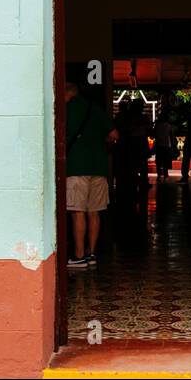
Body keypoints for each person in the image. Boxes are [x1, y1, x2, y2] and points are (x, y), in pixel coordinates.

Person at [64, 82, 117, 271]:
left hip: (77, 167)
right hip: (99, 167)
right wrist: (101, 143)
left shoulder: (66, 109)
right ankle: (91, 253)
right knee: (94, 211)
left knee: (78, 211)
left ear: (66, 94)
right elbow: (114, 134)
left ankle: (78, 256)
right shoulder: (94, 108)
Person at [153, 110, 174, 182]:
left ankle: (159, 175)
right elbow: (171, 136)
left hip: (159, 145)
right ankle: (165, 174)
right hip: (166, 145)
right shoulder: (169, 125)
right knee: (165, 161)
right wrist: (172, 146)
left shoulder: (157, 125)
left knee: (159, 161)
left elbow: (153, 135)